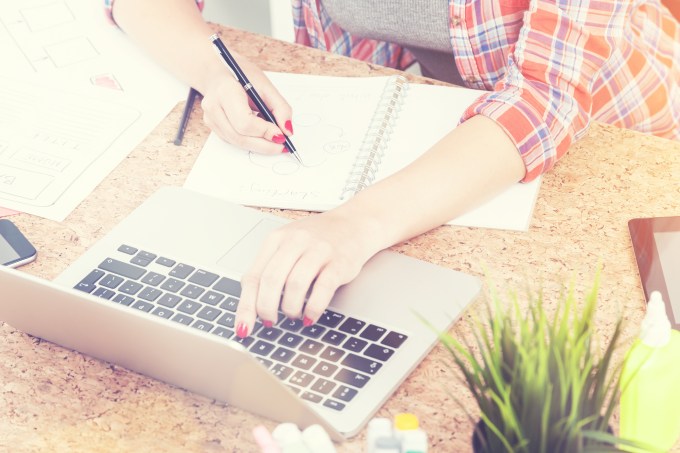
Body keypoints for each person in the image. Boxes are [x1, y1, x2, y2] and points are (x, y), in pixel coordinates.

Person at [106, 0, 679, 338]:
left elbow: (544, 102)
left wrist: (352, 226)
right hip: (406, 125)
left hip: (609, 149)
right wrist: (215, 69)